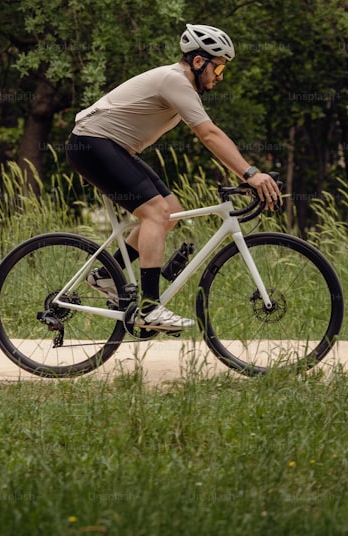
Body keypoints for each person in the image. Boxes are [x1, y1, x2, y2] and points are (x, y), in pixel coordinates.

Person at [64, 23, 282, 332]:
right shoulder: (174, 80)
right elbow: (208, 134)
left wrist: (245, 173)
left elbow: (209, 136)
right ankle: (150, 309)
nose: (219, 76)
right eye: (218, 68)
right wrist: (250, 173)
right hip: (92, 143)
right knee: (156, 212)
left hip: (107, 146)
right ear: (197, 62)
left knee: (170, 211)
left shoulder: (181, 86)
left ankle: (106, 276)